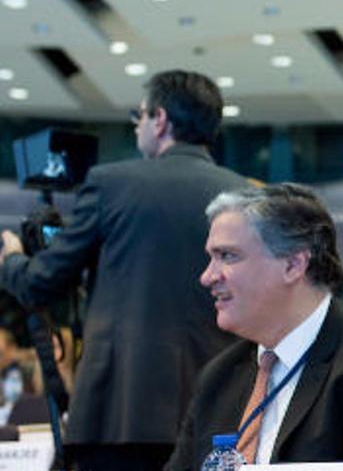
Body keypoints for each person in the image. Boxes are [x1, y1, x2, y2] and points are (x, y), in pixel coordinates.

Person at [0, 70, 246, 469]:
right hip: (221, 415)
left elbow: (40, 282)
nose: (137, 125)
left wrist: (10, 259)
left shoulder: (110, 183)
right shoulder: (246, 195)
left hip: (120, 415)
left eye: (141, 115)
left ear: (161, 119)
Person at [167, 184, 343, 470]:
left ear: (293, 265)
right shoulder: (219, 377)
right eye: (211, 257)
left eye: (227, 256)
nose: (207, 276)